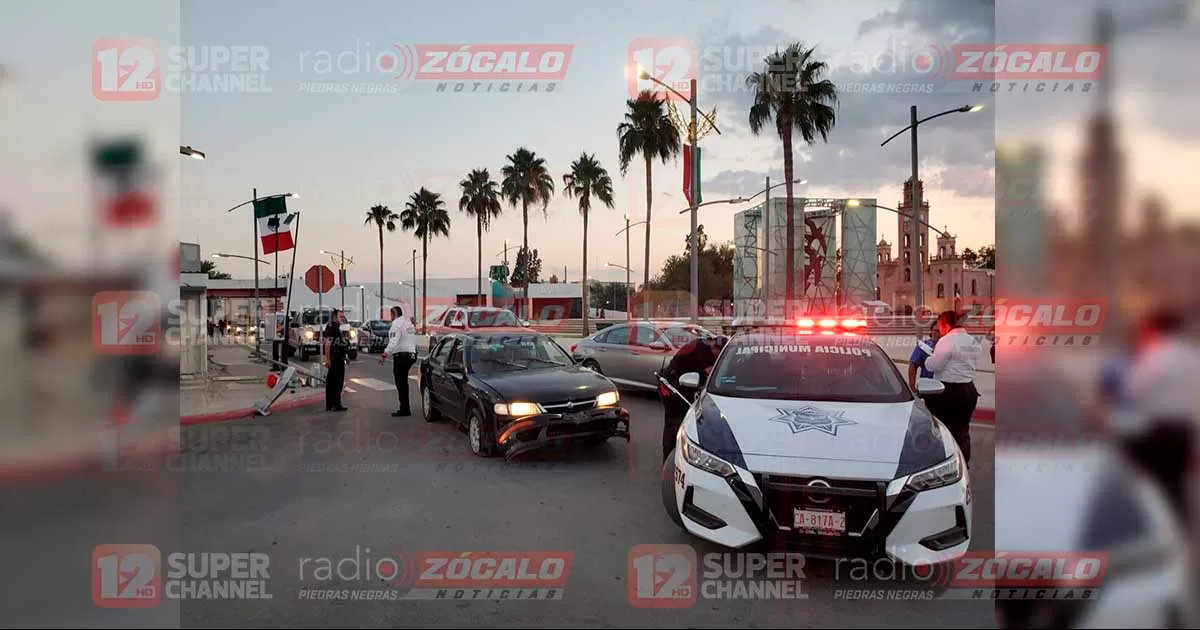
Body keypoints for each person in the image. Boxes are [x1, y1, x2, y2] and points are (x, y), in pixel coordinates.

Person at [1121, 309, 1200, 525]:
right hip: (1185, 431)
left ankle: (1156, 525)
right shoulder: (1192, 356)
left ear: (1154, 330)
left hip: (1157, 431)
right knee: (1177, 482)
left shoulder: (1153, 356)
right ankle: (1182, 522)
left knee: (1152, 483)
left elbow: (1131, 389)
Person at [923, 310, 981, 463]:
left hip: (948, 392)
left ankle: (946, 462)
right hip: (969, 390)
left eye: (940, 326)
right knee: (962, 429)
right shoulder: (973, 341)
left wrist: (929, 358)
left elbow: (934, 365)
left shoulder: (947, 341)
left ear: (946, 325)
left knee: (944, 430)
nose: (940, 330)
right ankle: (964, 461)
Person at [659, 334, 726, 461]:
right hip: (674, 389)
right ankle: (670, 460)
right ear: (714, 347)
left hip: (686, 387)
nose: (719, 357)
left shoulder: (708, 346)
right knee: (675, 423)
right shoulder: (702, 348)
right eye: (719, 353)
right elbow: (711, 372)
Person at [380, 305, 418, 417]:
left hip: (402, 356)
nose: (390, 317)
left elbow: (393, 341)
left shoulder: (396, 325)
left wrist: (385, 354)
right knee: (403, 382)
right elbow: (413, 336)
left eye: (391, 314)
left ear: (394, 314)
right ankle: (405, 407)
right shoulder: (407, 323)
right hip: (411, 354)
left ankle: (405, 409)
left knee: (400, 383)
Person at [323, 308, 349, 412]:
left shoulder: (334, 327)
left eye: (343, 316)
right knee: (336, 383)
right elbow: (327, 344)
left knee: (332, 382)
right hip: (335, 359)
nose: (342, 318)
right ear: (334, 317)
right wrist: (328, 359)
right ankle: (336, 405)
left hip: (338, 357)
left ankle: (331, 405)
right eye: (341, 316)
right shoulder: (332, 327)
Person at [908, 322, 941, 392]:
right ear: (931, 331)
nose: (938, 333)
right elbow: (913, 366)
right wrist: (912, 388)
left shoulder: (949, 346)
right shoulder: (923, 346)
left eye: (940, 331)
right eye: (936, 331)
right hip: (927, 387)